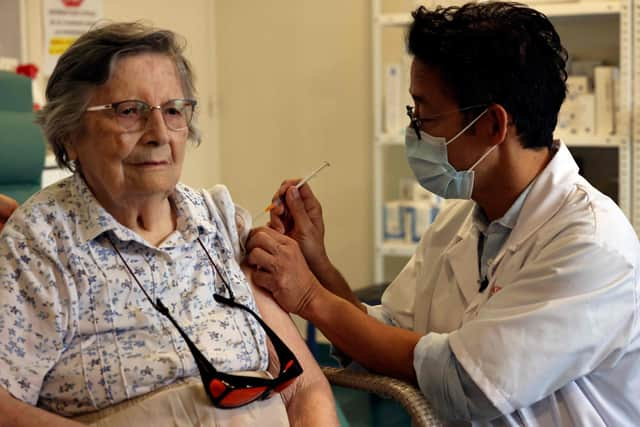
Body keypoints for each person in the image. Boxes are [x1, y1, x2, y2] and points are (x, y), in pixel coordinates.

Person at [246, 2, 640, 425]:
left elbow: (467, 382)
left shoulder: (590, 246)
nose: (414, 131)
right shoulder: (462, 222)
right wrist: (316, 261)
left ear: (492, 125)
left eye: (424, 114)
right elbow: (384, 335)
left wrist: (309, 296)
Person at [0, 22, 338, 427]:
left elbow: (303, 387)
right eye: (129, 111)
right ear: (70, 133)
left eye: (174, 110)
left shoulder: (216, 221)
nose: (159, 133)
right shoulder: (40, 243)